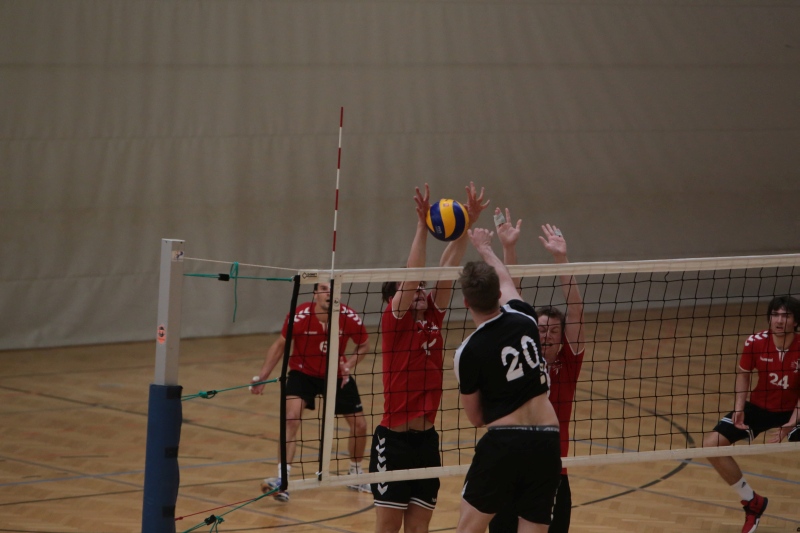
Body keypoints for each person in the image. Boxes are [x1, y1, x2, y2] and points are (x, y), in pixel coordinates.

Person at [370, 182, 488, 533]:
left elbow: (448, 264)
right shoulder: (394, 320)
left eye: (423, 289)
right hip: (392, 441)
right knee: (387, 529)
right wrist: (422, 226)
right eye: (414, 289)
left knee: (419, 529)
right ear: (394, 299)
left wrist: (467, 222)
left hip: (426, 441)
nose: (420, 290)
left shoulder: (433, 315)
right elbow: (413, 275)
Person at [454, 225, 562, 533]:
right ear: (498, 295)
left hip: (505, 443)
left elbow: (476, 418)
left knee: (468, 529)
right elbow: (505, 278)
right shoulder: (525, 318)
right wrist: (485, 247)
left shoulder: (468, 351)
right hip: (547, 438)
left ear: (466, 302)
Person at [488, 213, 585, 533]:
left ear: (562, 337)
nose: (547, 336)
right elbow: (511, 297)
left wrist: (561, 258)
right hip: (513, 464)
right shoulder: (523, 356)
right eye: (541, 330)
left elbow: (576, 312)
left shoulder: (568, 362)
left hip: (554, 468)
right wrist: (508, 248)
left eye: (554, 331)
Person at [250, 281, 371, 502]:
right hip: (302, 373)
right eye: (324, 289)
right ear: (315, 293)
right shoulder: (300, 315)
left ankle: (355, 474)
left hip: (335, 374)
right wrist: (263, 376)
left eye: (332, 289)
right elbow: (280, 345)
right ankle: (282, 480)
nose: (329, 293)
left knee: (360, 425)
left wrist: (349, 364)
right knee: (291, 418)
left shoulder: (349, 317)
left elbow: (364, 344)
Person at [702, 295, 800, 533]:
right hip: (760, 406)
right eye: (775, 315)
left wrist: (792, 422)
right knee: (711, 445)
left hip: (794, 407)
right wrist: (739, 407)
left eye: (785, 316)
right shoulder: (755, 342)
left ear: (796, 321)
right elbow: (743, 374)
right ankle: (752, 501)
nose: (779, 320)